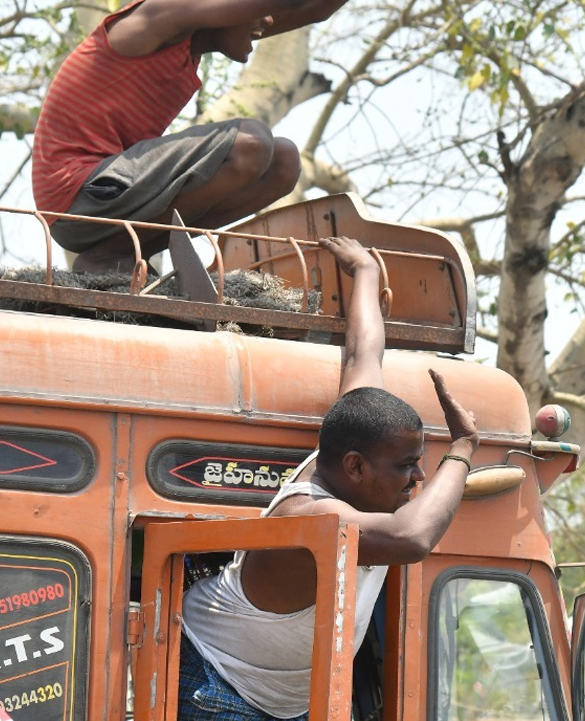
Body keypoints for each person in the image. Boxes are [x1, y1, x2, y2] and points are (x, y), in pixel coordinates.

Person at [32, 0, 459, 274]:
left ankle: (124, 251)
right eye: (257, 7)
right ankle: (113, 253)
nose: (268, 22)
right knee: (251, 142)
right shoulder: (164, 13)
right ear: (227, 1)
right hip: (78, 194)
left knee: (283, 162)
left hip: (106, 199)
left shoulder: (194, 38)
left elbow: (314, 7)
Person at [178, 235, 479, 721]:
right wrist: (462, 450)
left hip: (292, 700)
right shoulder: (313, 513)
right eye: (407, 465)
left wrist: (365, 271)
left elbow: (364, 355)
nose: (419, 476)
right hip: (218, 680)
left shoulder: (352, 450)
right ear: (355, 466)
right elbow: (412, 538)